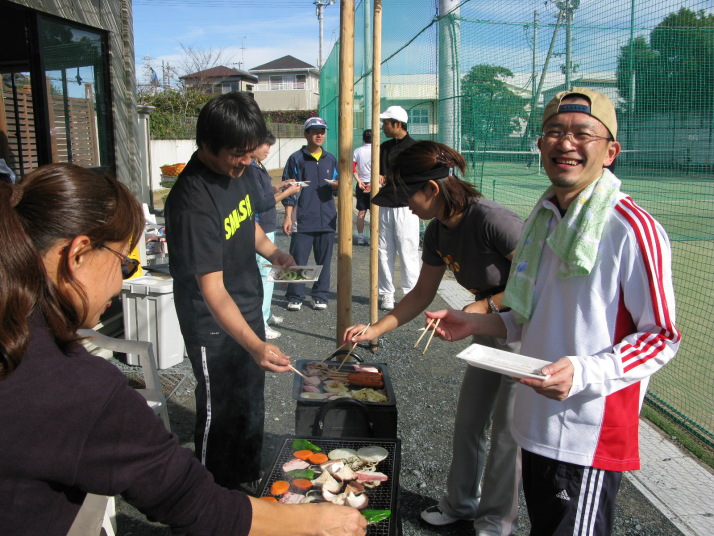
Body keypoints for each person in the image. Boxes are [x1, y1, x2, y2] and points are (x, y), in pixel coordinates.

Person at [0, 163, 367, 536]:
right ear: (78, 254)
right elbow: (192, 501)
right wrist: (314, 520)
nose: (119, 283)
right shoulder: (78, 388)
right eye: (124, 263)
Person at [427, 88, 681, 536]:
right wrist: (476, 322)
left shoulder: (632, 228)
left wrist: (582, 372)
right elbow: (531, 315)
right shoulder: (542, 222)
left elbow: (661, 336)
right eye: (554, 132)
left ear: (610, 152)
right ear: (540, 145)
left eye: (583, 133)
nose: (566, 143)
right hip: (535, 425)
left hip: (587, 433)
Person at [344, 140, 524, 535]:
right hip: (484, 328)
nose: (405, 207)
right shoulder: (439, 231)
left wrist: (481, 308)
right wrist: (374, 329)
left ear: (432, 188)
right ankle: (460, 504)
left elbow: (538, 282)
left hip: (522, 335)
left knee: (508, 434)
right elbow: (422, 293)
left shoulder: (494, 220)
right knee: (469, 422)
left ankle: (496, 522)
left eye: (407, 197)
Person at [165, 92, 294, 492]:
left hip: (246, 304)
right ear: (207, 145)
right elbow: (213, 291)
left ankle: (247, 478)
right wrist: (256, 345)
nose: (246, 162)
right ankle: (211, 493)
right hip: (212, 322)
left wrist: (273, 252)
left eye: (250, 154)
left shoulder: (235, 173)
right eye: (238, 154)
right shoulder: (192, 202)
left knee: (250, 397)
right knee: (220, 408)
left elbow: (244, 221)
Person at [282, 117, 338, 312]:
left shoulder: (331, 159)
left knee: (324, 261)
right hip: (303, 218)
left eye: (322, 131)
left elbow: (339, 186)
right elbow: (288, 189)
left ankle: (320, 295)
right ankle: (295, 296)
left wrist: (337, 186)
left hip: (327, 219)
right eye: (315, 131)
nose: (319, 135)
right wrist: (288, 216)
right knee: (298, 259)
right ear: (306, 134)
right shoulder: (296, 158)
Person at [253, 131, 302, 339]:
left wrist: (279, 186)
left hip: (267, 226)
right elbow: (261, 202)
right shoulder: (251, 168)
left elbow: (264, 192)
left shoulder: (259, 166)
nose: (268, 150)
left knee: (269, 275)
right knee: (264, 276)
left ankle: (266, 312)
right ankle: (261, 322)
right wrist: (287, 193)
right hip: (260, 228)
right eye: (266, 145)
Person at [378, 105, 421, 310]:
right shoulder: (384, 147)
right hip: (386, 204)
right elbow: (379, 174)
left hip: (408, 207)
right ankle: (386, 293)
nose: (383, 126)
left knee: (408, 250)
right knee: (384, 250)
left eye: (386, 123)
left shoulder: (415, 149)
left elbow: (418, 178)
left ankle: (411, 293)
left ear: (397, 124)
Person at [352, 129, 372, 245]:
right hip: (374, 184)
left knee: (361, 211)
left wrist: (359, 181)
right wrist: (372, 183)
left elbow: (352, 168)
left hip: (361, 183)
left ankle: (360, 237)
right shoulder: (377, 150)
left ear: (363, 139)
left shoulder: (357, 151)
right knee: (375, 213)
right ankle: (373, 237)